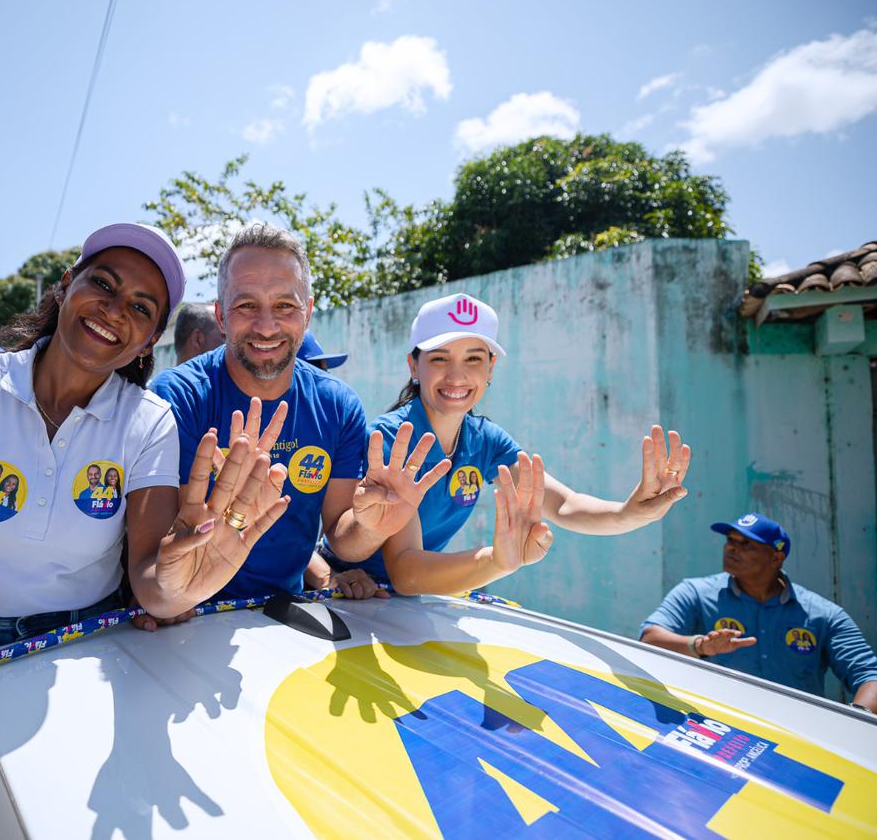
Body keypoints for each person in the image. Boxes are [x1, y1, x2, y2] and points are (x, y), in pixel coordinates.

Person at [0, 222, 290, 670]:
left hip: (89, 644)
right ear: (64, 286)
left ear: (149, 342)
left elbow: (152, 581)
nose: (115, 308)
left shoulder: (149, 422)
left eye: (142, 308)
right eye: (103, 284)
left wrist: (180, 584)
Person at [315, 291, 692, 596]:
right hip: (344, 593)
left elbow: (564, 505)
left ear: (491, 367)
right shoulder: (395, 439)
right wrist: (495, 560)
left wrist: (630, 513)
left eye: (474, 358)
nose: (457, 375)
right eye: (440, 358)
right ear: (414, 366)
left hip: (405, 605)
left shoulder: (485, 439)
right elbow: (407, 571)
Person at [148, 223, 437, 611]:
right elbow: (153, 552)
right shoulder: (175, 397)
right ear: (220, 316)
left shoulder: (338, 405)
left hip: (288, 612)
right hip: (185, 617)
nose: (267, 326)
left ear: (308, 313)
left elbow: (340, 534)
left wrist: (375, 527)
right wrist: (172, 593)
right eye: (246, 305)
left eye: (285, 305)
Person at [640, 512, 877, 711]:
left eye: (746, 544)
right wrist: (700, 646)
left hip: (797, 742)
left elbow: (869, 675)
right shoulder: (695, 593)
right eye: (730, 540)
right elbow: (650, 639)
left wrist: (859, 720)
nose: (732, 548)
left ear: (776, 558)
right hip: (715, 733)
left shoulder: (823, 615)